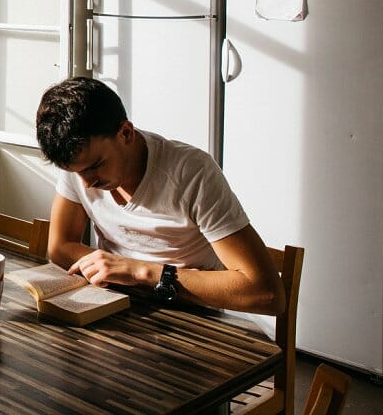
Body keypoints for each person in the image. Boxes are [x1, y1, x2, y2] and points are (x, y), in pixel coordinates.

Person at [35, 77, 284, 315]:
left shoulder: (191, 172)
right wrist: (120, 270)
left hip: (192, 317)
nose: (87, 183)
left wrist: (142, 272)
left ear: (125, 133)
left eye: (96, 166)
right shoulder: (81, 165)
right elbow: (59, 248)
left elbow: (267, 294)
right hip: (117, 306)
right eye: (75, 172)